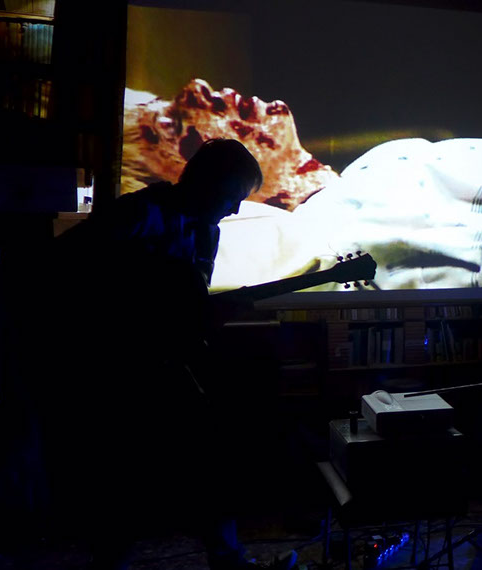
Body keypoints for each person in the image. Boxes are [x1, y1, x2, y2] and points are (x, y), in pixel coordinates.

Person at [27, 139, 296, 570]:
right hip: (108, 367)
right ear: (209, 183)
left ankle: (225, 557)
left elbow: (187, 309)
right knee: (125, 476)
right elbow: (61, 269)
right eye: (233, 197)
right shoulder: (139, 214)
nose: (234, 210)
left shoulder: (207, 233)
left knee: (206, 459)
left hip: (163, 363)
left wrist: (208, 316)